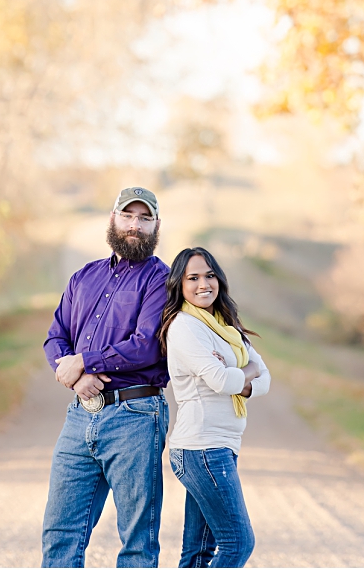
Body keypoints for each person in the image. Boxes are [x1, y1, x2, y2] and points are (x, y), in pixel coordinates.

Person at [41, 187, 171, 568]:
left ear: (156, 226)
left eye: (144, 218)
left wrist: (84, 360)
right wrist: (75, 377)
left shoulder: (160, 280)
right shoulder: (84, 276)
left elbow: (147, 345)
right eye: (127, 216)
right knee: (59, 532)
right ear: (112, 219)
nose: (135, 225)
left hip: (136, 416)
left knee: (136, 541)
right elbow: (55, 337)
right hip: (81, 414)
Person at [160, 246, 269, 568]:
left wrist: (242, 375)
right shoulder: (184, 327)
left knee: (198, 554)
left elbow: (265, 377)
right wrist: (245, 372)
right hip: (201, 448)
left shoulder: (224, 325)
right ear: (179, 285)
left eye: (209, 275)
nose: (203, 284)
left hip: (218, 447)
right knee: (238, 543)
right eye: (192, 278)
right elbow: (223, 381)